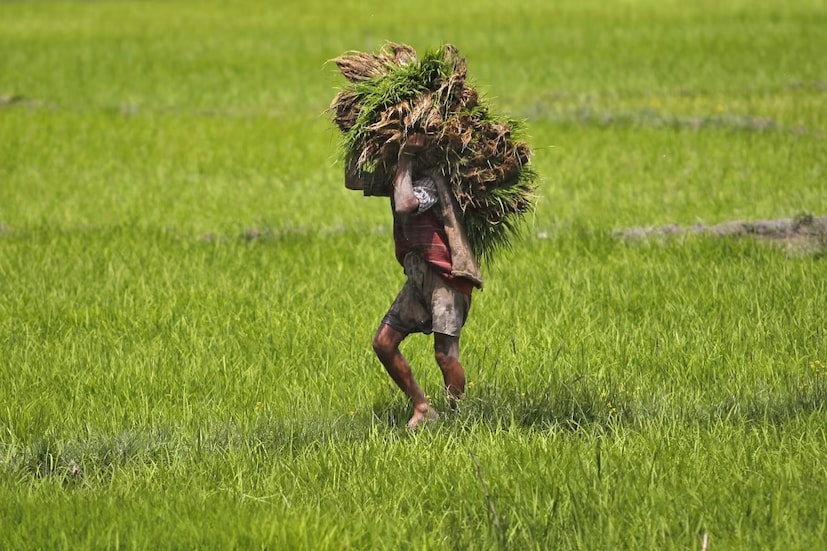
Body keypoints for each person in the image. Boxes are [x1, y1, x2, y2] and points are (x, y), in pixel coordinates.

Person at [346, 133, 483, 429]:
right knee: (384, 343)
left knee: (445, 354)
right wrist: (356, 140)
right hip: (419, 276)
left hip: (445, 277)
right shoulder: (398, 178)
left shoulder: (433, 180)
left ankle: (458, 418)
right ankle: (422, 407)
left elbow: (405, 203)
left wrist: (406, 157)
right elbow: (353, 180)